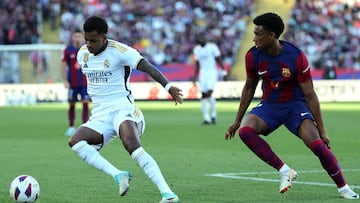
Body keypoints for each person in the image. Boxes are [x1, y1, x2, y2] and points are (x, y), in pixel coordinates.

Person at [224, 12, 359, 200]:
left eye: (258, 34)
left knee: (319, 146)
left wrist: (322, 129)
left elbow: (310, 94)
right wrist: (237, 120)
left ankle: (344, 187)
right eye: (253, 34)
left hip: (295, 106)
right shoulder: (252, 56)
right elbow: (249, 87)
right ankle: (284, 170)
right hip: (270, 106)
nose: (254, 38)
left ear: (272, 36)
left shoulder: (295, 56)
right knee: (245, 131)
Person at [68, 16, 182, 203]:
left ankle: (168, 194)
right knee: (76, 142)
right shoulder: (83, 54)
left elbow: (147, 67)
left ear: (105, 38)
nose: (89, 44)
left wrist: (168, 87)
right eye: (87, 39)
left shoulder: (120, 51)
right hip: (100, 114)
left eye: (93, 40)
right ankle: (118, 175)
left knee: (130, 143)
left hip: (123, 108)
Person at [192, 32, 227, 125]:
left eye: (203, 37)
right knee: (203, 95)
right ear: (198, 39)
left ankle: (214, 115)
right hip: (203, 74)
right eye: (200, 37)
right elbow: (197, 64)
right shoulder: (196, 49)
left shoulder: (212, 47)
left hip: (212, 72)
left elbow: (219, 59)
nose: (201, 39)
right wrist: (195, 76)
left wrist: (224, 71)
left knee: (209, 93)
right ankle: (207, 118)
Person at [61, 29, 90, 136]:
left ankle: (85, 127)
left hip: (85, 83)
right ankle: (71, 127)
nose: (77, 38)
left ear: (83, 37)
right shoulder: (68, 50)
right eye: (76, 36)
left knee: (85, 103)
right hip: (72, 83)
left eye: (79, 36)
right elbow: (63, 66)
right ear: (72, 37)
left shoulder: (87, 50)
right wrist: (64, 80)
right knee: (72, 105)